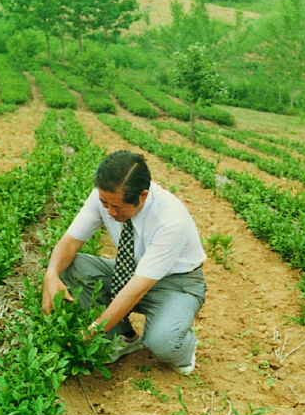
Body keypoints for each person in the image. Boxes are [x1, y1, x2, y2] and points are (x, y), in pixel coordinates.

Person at [42, 150, 206, 375]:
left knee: (163, 344)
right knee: (69, 266)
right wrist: (50, 276)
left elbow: (137, 289)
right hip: (133, 272)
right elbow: (69, 243)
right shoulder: (106, 197)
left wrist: (93, 330)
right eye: (104, 204)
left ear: (143, 196)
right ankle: (123, 337)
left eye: (117, 207)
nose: (109, 212)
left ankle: (183, 347)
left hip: (176, 284)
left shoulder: (170, 220)